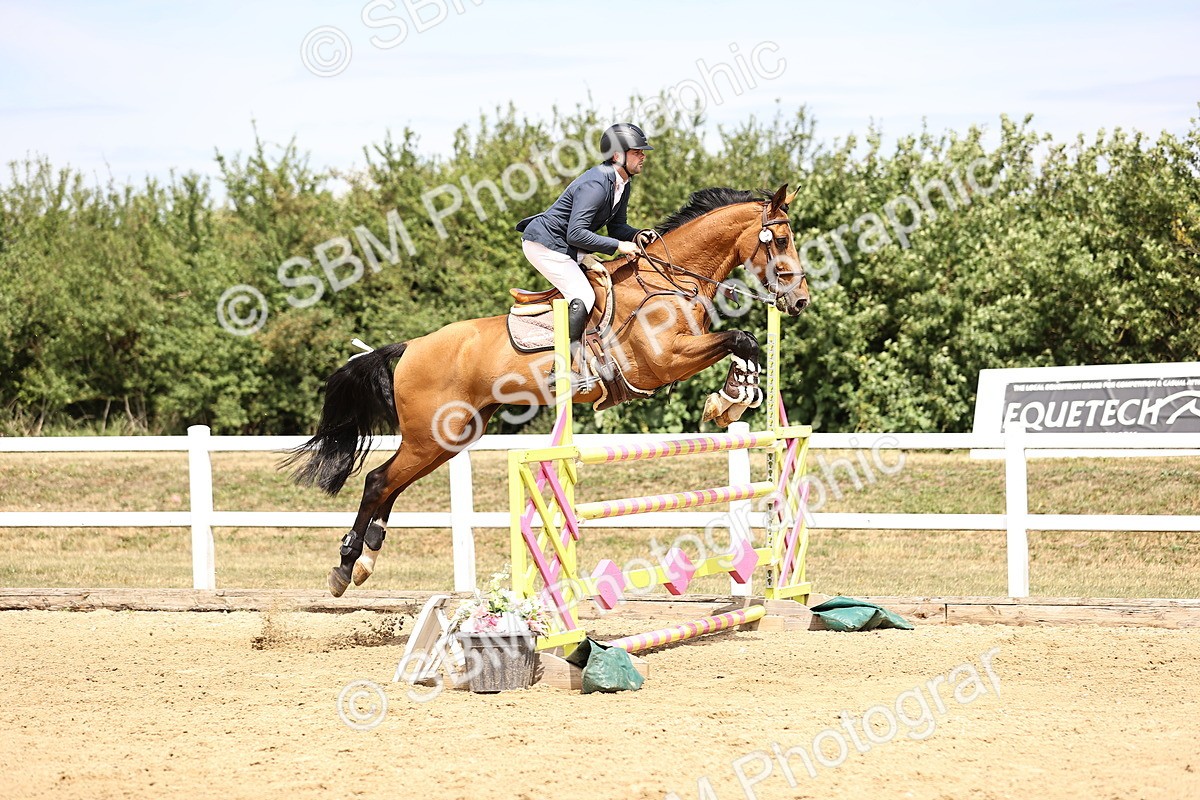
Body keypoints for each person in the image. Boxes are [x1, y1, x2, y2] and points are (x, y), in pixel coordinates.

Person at [515, 122, 655, 349]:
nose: (643, 156)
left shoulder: (622, 183)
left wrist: (639, 235)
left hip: (566, 245)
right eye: (637, 152)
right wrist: (620, 246)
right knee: (584, 295)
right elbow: (576, 234)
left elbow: (617, 227)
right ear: (618, 155)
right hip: (547, 245)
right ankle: (563, 365)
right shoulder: (596, 184)